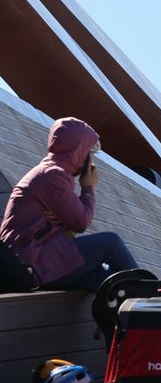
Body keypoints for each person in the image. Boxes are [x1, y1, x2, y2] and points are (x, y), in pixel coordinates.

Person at [1, 117, 137, 292]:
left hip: (40, 259)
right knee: (111, 243)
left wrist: (62, 222)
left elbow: (69, 224)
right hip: (34, 262)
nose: (91, 160)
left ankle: (140, 307)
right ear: (78, 151)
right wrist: (88, 188)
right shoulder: (52, 175)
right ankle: (154, 296)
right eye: (89, 153)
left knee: (107, 280)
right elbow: (80, 222)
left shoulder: (52, 174)